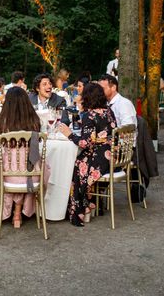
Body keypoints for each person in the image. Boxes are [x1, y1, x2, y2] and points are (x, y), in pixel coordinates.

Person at [58, 82, 117, 226]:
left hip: (100, 157)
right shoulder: (108, 111)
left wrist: (69, 134)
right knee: (79, 162)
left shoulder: (89, 116)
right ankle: (90, 205)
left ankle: (80, 210)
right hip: (111, 155)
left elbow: (86, 143)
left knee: (76, 166)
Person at [0, 87, 45, 228]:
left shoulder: (1, 122)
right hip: (33, 178)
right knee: (29, 170)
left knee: (1, 174)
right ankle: (18, 213)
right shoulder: (35, 121)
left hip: (9, 176)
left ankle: (10, 212)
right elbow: (35, 153)